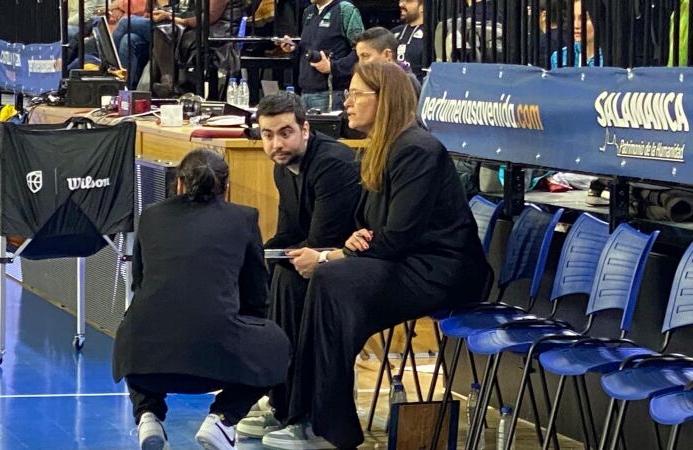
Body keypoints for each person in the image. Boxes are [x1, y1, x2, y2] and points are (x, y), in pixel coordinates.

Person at [261, 62, 490, 449]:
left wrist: (334, 257)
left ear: (384, 100)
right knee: (294, 277)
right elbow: (367, 224)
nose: (347, 103)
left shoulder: (418, 150)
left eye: (355, 94)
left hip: (440, 272)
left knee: (331, 280)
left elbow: (398, 236)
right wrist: (353, 241)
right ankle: (292, 409)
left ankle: (328, 428)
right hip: (403, 263)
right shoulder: (381, 148)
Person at [112, 149, 290, 450]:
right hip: (215, 366)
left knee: (136, 327)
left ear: (179, 183)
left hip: (145, 366)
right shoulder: (244, 218)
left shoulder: (151, 215)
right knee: (278, 344)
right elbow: (257, 296)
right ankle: (223, 418)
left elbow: (139, 283)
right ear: (226, 187)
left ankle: (148, 414)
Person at [235, 92, 360, 440]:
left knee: (288, 282)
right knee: (260, 275)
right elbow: (288, 232)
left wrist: (276, 258)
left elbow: (323, 239)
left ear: (305, 129)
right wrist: (252, 258)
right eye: (268, 135)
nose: (276, 143)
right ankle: (281, 400)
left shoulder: (332, 165)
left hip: (352, 263)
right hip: (316, 256)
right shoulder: (283, 167)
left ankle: (305, 416)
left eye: (285, 132)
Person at [276, 0, 364, 112]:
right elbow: (308, 50)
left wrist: (332, 67)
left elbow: (362, 51)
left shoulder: (345, 10)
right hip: (305, 91)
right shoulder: (308, 12)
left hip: (332, 92)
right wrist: (293, 48)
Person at [150, 0, 245, 96]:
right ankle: (166, 84)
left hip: (219, 34)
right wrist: (170, 15)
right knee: (163, 29)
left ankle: (167, 84)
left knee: (165, 32)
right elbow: (196, 13)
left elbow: (209, 17)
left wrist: (178, 20)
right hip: (206, 29)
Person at [354, 27, 422, 100]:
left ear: (387, 55)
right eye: (359, 57)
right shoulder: (368, 81)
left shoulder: (406, 84)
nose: (360, 63)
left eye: (365, 56)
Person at [549, 0, 603, 68]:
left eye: (583, 18)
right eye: (573, 18)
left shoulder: (610, 59)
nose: (576, 25)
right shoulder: (559, 57)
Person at [391, 0, 426, 81]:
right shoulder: (394, 32)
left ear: (422, 6)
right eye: (401, 0)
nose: (400, 4)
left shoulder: (432, 33)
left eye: (408, 1)